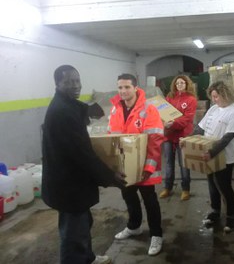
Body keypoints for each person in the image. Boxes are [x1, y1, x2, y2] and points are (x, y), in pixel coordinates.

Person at [41, 65, 127, 264]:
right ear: (57, 84)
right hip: (68, 185)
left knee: (83, 223)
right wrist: (109, 176)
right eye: (68, 82)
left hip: (72, 183)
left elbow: (75, 107)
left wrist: (89, 110)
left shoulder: (66, 105)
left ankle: (87, 258)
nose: (75, 86)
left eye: (77, 81)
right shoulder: (62, 113)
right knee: (73, 234)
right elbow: (83, 155)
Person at [108, 73, 164, 256]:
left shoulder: (149, 110)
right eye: (120, 87)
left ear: (135, 87)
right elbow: (111, 138)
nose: (123, 91)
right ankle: (134, 226)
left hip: (145, 167)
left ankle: (156, 235)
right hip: (124, 167)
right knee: (129, 197)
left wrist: (148, 168)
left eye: (127, 87)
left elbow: (155, 140)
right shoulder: (115, 109)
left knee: (150, 201)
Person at [189, 81, 234, 233]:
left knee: (224, 187)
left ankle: (231, 218)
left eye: (216, 96)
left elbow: (228, 137)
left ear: (225, 94)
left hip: (224, 156)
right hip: (209, 155)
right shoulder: (213, 109)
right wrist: (188, 141)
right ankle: (215, 212)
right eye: (212, 96)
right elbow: (200, 128)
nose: (214, 99)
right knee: (212, 185)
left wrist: (212, 152)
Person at [159, 75, 198, 201]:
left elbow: (187, 119)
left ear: (187, 84)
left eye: (182, 83)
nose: (179, 85)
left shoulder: (191, 99)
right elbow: (163, 114)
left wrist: (173, 123)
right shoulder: (169, 98)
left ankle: (185, 189)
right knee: (169, 164)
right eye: (177, 83)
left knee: (183, 164)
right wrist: (163, 123)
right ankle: (167, 187)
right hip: (169, 136)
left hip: (183, 136)